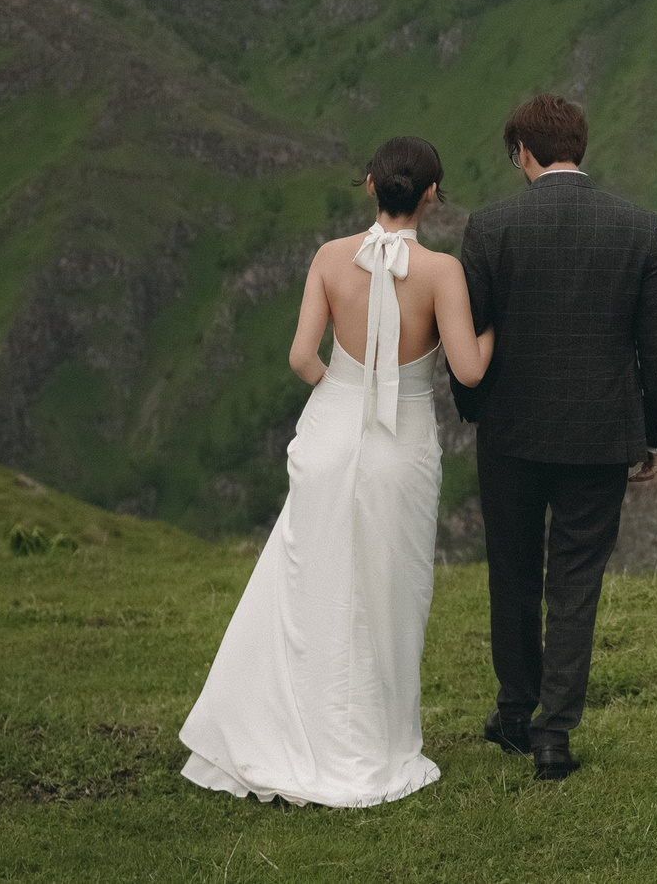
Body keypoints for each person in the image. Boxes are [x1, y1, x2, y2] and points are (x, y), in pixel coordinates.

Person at [178, 135, 491, 806]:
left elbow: (300, 356)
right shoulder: (441, 273)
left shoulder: (327, 257)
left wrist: (339, 391)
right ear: (431, 194)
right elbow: (469, 368)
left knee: (313, 585)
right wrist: (503, 326)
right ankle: (377, 742)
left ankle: (293, 728)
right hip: (399, 443)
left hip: (329, 434)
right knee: (389, 592)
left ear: (370, 182)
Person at [459, 93, 657, 783]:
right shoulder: (637, 227)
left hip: (511, 431)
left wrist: (475, 407)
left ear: (522, 150)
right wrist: (656, 435)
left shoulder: (489, 225)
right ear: (578, 146)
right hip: (599, 435)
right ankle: (555, 735)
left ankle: (516, 712)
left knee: (514, 574)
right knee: (577, 581)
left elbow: (468, 335)